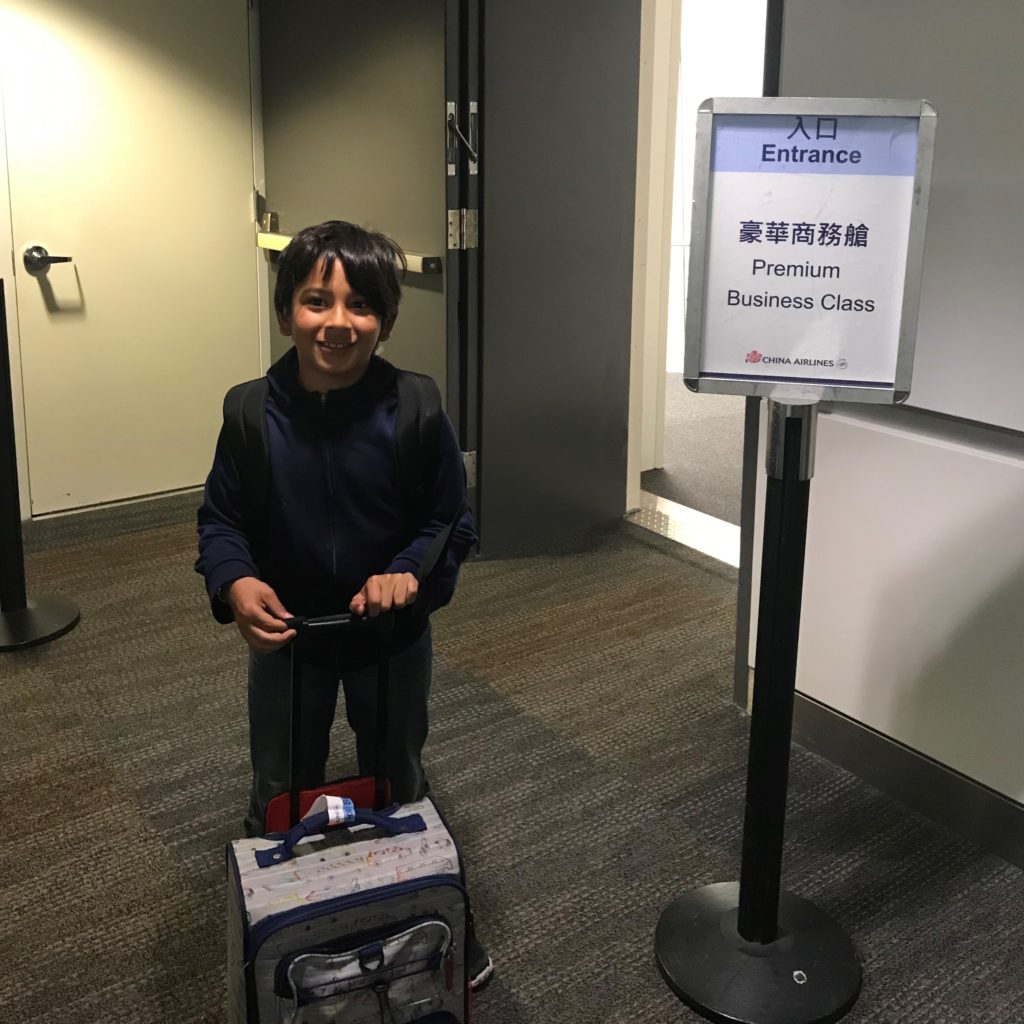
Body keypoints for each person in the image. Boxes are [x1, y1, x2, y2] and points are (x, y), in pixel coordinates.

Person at [195, 219, 491, 987]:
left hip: (389, 639)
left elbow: (447, 519)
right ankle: (276, 925)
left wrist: (407, 576)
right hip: (287, 641)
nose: (336, 322)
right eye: (315, 301)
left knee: (394, 770)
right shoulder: (250, 412)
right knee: (281, 781)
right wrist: (235, 582)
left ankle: (420, 912)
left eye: (359, 305)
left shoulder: (416, 408)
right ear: (286, 310)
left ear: (386, 320)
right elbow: (221, 517)